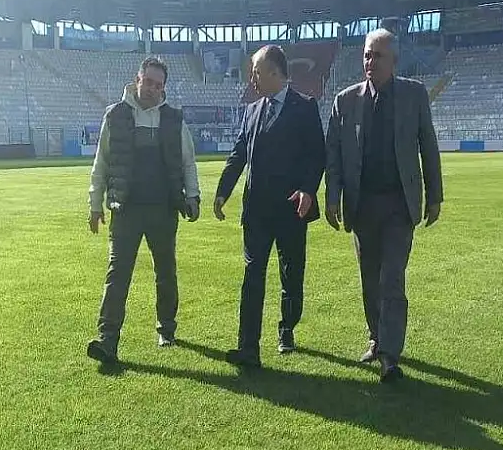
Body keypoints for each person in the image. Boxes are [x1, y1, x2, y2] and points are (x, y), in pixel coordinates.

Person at [324, 28, 444, 383]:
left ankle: (390, 355)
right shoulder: (345, 100)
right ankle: (376, 338)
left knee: (392, 278)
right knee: (370, 280)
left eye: (377, 56)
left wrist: (435, 195)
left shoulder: (414, 95)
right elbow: (333, 154)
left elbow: (428, 145)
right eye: (366, 55)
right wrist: (332, 197)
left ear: (394, 60)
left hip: (398, 205)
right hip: (362, 206)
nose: (369, 62)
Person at [215, 45, 326, 368]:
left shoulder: (305, 107)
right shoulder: (251, 110)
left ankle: (287, 328)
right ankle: (248, 347)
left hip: (292, 209)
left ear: (276, 73)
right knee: (252, 275)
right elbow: (239, 154)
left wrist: (308, 189)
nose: (252, 78)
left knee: (291, 275)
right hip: (257, 212)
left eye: (257, 72)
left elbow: (316, 154)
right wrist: (223, 191)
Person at [86, 57, 201, 364]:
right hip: (125, 210)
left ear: (164, 87)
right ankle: (107, 340)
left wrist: (193, 196)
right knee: (117, 274)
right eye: (147, 82)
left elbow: (188, 161)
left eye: (158, 84)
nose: (152, 88)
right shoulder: (115, 115)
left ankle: (166, 327)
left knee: (165, 272)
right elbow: (102, 163)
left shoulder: (174, 119)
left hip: (164, 209)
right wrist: (95, 204)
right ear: (137, 80)